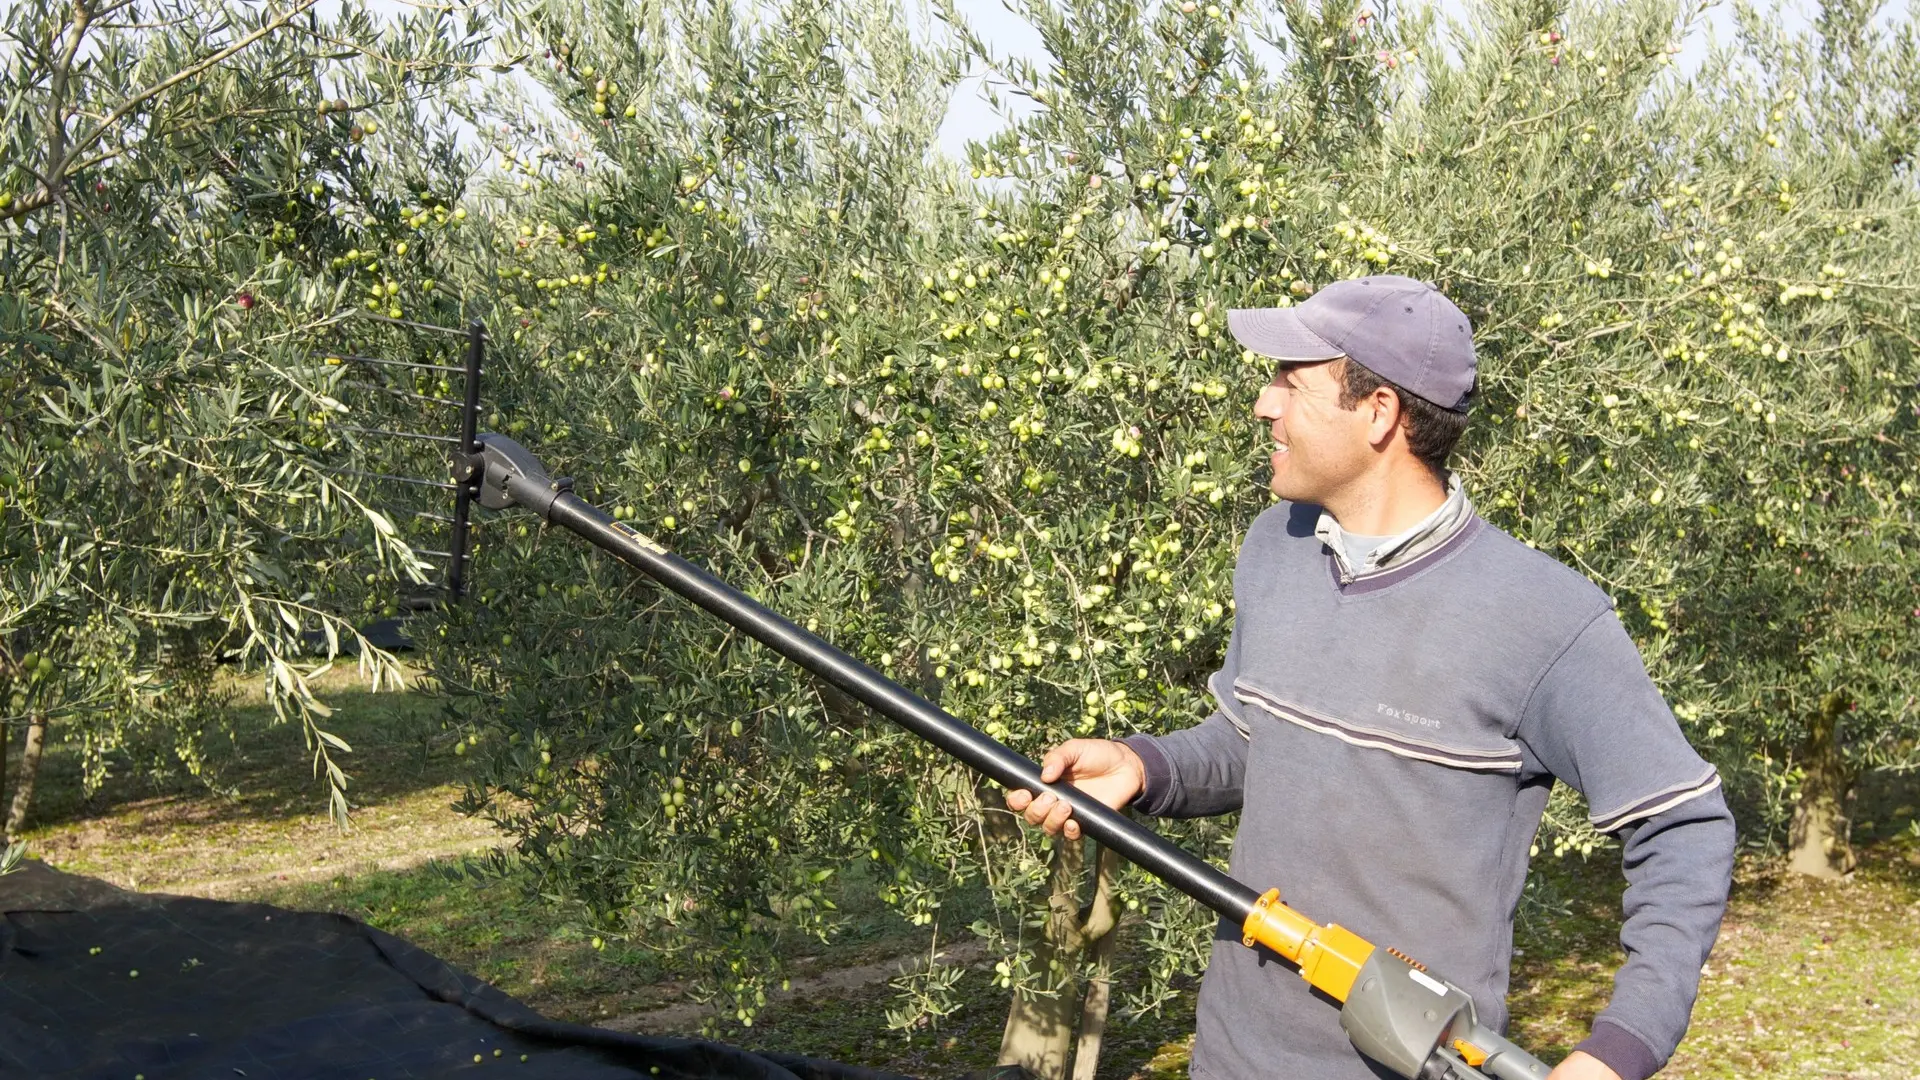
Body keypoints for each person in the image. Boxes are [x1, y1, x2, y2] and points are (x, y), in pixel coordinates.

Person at [1004, 275, 1735, 1080]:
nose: (1263, 404)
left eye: (1292, 380)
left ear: (1379, 412)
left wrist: (1616, 1051)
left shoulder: (1546, 620)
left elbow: (1684, 829)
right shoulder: (1276, 546)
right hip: (1230, 1058)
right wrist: (1147, 766)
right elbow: (1254, 741)